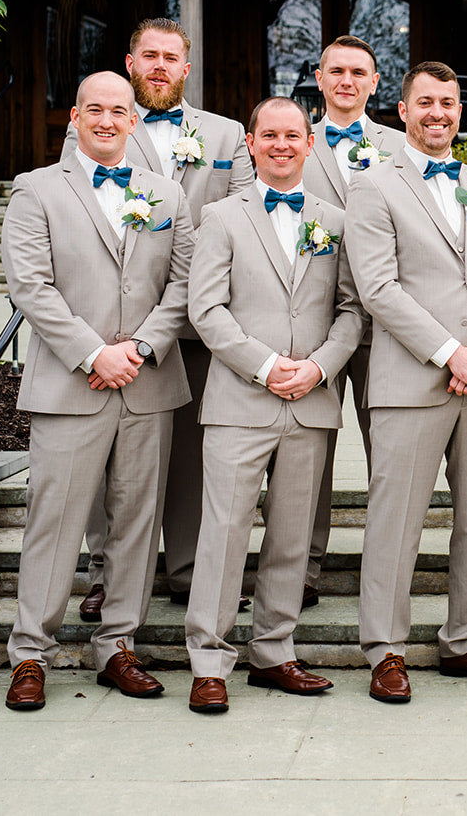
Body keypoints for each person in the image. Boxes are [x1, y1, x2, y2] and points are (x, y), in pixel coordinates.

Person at [1, 71, 194, 711]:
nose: (107, 120)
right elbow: (31, 286)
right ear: (74, 118)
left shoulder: (167, 194)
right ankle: (31, 652)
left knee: (136, 524)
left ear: (133, 122)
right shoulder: (36, 191)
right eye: (95, 109)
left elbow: (184, 285)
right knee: (53, 522)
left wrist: (139, 348)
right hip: (69, 383)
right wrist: (94, 352)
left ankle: (118, 645)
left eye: (119, 110)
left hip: (148, 381)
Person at [347, 60, 467, 702]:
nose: (438, 113)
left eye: (449, 103)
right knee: (395, 516)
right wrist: (448, 352)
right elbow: (377, 287)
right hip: (411, 379)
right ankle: (385, 648)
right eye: (425, 102)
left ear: (461, 111)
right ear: (402, 111)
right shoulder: (373, 186)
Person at [183, 97, 365, 713]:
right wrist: (265, 365)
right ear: (252, 144)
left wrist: (318, 367)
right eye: (270, 135)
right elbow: (205, 309)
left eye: (294, 135)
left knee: (291, 536)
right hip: (239, 400)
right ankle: (209, 660)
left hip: (311, 400)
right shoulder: (220, 216)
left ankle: (275, 651)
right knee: (225, 531)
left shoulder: (336, 221)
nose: (282, 144)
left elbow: (351, 309)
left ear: (309, 145)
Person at [66, 18, 252, 622]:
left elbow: (247, 219)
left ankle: (190, 570)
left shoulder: (226, 138)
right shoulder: (101, 127)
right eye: (150, 55)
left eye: (171, 57)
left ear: (186, 68)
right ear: (130, 61)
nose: (160, 66)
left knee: (197, 454)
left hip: (205, 327)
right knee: (112, 460)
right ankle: (108, 572)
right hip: (121, 330)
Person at [298, 34, 405, 608]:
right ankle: (303, 567)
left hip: (386, 326)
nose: (347, 80)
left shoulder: (397, 145)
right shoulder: (291, 141)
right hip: (310, 323)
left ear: (374, 81)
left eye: (358, 71)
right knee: (307, 451)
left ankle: (382, 568)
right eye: (336, 70)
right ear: (319, 77)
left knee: (386, 448)